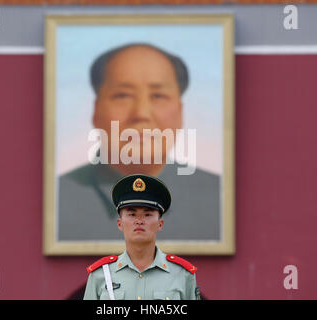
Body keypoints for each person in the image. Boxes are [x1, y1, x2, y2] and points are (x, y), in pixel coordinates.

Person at [58, 43, 221, 241]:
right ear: (96, 110)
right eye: (123, 95)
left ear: (180, 113)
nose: (141, 114)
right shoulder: (55, 200)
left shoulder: (219, 199)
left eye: (158, 96)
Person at [83, 174, 200, 300]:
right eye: (132, 214)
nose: (139, 221)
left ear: (160, 224)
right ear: (120, 224)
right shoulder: (101, 275)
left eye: (147, 214)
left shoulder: (182, 274)